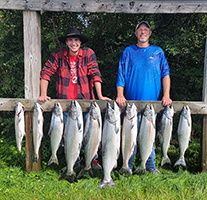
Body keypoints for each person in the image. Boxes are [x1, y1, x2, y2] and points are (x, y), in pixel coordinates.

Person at [38, 27, 111, 169]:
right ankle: (73, 161)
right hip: (66, 104)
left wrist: (100, 96)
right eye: (70, 40)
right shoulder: (58, 55)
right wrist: (43, 93)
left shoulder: (88, 54)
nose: (73, 43)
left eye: (76, 40)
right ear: (66, 42)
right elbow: (46, 72)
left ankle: (93, 160)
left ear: (80, 42)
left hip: (86, 103)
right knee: (68, 136)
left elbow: (95, 74)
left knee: (91, 134)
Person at [116, 21, 172, 174]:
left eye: (145, 29)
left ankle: (150, 166)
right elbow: (121, 75)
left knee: (149, 136)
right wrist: (120, 95)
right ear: (135, 33)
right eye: (139, 30)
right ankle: (129, 165)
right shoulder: (128, 52)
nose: (142, 32)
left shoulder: (158, 52)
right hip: (131, 105)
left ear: (150, 33)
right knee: (131, 136)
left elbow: (165, 75)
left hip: (151, 104)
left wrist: (166, 95)